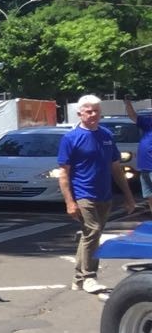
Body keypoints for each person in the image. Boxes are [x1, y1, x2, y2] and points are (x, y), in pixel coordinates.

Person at [60, 95, 137, 294]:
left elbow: (116, 168)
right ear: (80, 114)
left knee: (90, 235)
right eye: (89, 111)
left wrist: (128, 197)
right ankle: (89, 277)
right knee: (93, 232)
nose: (93, 114)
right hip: (84, 193)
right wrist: (70, 202)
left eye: (96, 111)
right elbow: (64, 173)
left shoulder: (106, 135)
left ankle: (78, 279)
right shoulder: (71, 138)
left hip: (105, 194)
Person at [125, 97, 152, 215]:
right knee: (149, 195)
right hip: (145, 167)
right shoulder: (148, 123)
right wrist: (128, 103)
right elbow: (133, 116)